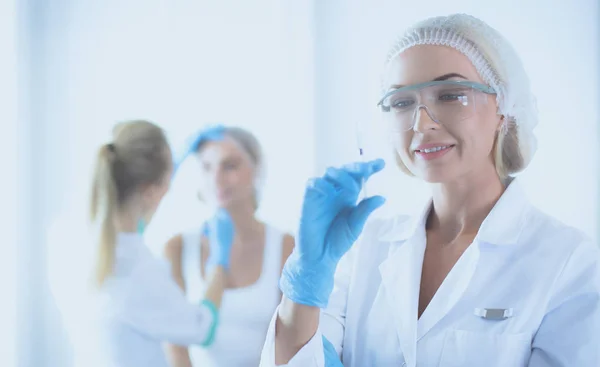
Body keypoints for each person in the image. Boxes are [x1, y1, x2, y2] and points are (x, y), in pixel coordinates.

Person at [259, 13, 600, 367]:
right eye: (402, 102)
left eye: (451, 95)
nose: (422, 124)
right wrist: (304, 283)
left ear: (503, 107)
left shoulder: (566, 259)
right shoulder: (364, 248)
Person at [87, 120, 233, 367]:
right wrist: (219, 263)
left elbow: (135, 219)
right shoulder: (139, 270)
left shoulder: (85, 235)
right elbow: (201, 328)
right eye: (167, 181)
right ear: (150, 190)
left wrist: (163, 174)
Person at [164, 125, 295, 367]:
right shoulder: (177, 248)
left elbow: (289, 341)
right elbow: (175, 348)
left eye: (230, 166)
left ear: (256, 169)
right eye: (206, 167)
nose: (216, 178)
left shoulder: (285, 245)